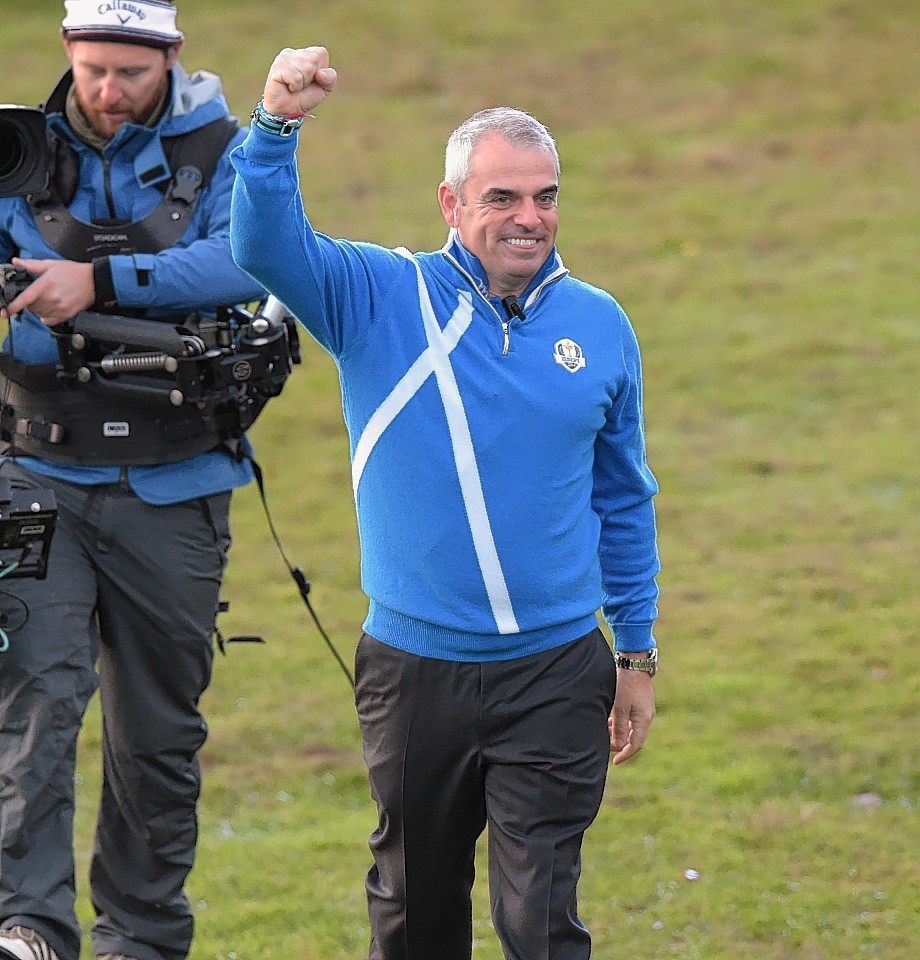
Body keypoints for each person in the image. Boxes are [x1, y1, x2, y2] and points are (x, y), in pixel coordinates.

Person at [230, 44, 662, 960]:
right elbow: (262, 244)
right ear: (450, 203)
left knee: (539, 921)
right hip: (414, 673)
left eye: (544, 196)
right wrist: (274, 127)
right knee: (416, 913)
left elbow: (623, 498)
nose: (527, 217)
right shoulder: (379, 295)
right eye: (501, 196)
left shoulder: (600, 324)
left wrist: (638, 649)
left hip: (555, 670)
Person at [0, 3, 267, 960]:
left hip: (180, 476)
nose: (107, 92)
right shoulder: (11, 152)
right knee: (36, 705)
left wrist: (97, 287)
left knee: (158, 732)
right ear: (66, 53)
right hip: (34, 473)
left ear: (171, 58)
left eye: (128, 72)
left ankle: (141, 938)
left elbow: (245, 260)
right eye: (90, 69)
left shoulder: (229, 149)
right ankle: (27, 925)